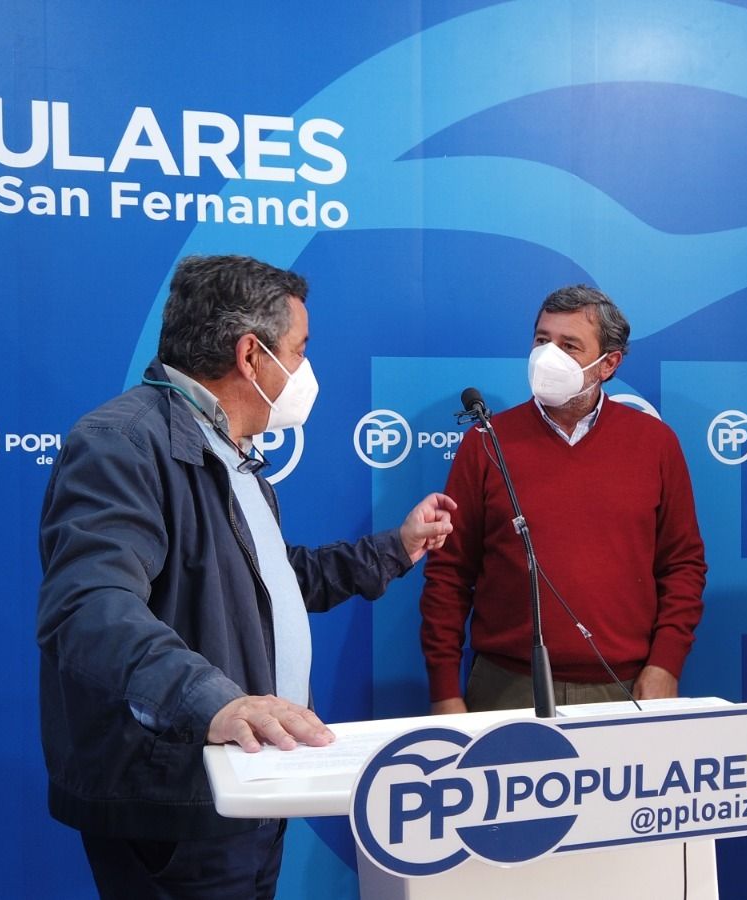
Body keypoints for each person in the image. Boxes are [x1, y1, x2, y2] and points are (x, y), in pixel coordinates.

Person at [36, 254, 456, 899]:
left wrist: (392, 550)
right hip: (183, 796)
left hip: (250, 782)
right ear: (251, 355)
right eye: (300, 349)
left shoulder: (228, 450)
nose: (306, 371)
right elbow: (91, 607)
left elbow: (265, 584)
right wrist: (216, 702)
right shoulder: (123, 442)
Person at [419, 284, 707, 714]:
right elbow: (449, 574)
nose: (546, 356)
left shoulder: (655, 443)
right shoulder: (486, 442)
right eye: (541, 340)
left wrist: (666, 663)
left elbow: (682, 566)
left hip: (625, 687)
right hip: (506, 688)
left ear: (608, 363)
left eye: (568, 345)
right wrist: (444, 691)